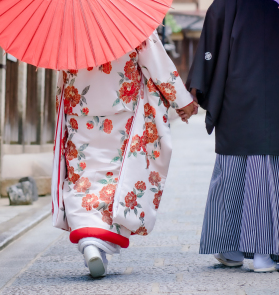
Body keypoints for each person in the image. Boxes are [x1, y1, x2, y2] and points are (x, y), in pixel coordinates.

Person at [185, 0, 279, 272]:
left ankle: (231, 248)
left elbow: (210, 41)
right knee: (277, 170)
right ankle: (266, 252)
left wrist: (200, 86)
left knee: (234, 169)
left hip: (238, 93)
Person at [51, 31, 198, 278]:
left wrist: (61, 108)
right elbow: (158, 65)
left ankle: (90, 241)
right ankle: (99, 243)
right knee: (117, 177)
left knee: (82, 176)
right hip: (121, 107)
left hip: (79, 108)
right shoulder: (130, 20)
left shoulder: (69, 23)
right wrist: (183, 102)